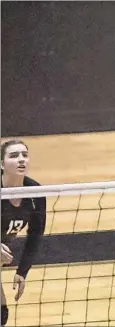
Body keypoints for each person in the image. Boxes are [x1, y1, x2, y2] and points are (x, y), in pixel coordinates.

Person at [1, 139, 46, 326]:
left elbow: (35, 234)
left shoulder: (35, 192)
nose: (21, 160)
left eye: (24, 155)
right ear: (1, 164)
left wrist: (22, 271)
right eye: (14, 156)